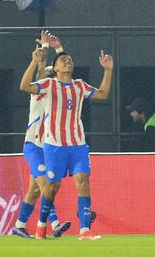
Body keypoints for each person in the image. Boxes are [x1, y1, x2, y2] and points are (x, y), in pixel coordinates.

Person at [19, 47, 113, 240]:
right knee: (51, 188)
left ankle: (85, 230)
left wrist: (108, 70)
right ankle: (41, 226)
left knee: (83, 181)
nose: (67, 61)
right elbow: (25, 86)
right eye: (63, 60)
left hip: (77, 143)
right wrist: (34, 61)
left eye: (70, 59)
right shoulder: (48, 85)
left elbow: (103, 94)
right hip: (53, 146)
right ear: (56, 68)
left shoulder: (80, 86)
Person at [12, 31, 71, 239]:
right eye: (48, 75)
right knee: (46, 186)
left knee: (35, 191)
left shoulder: (57, 93)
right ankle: (54, 223)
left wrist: (59, 50)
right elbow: (39, 73)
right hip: (33, 146)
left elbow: (64, 73)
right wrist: (42, 52)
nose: (51, 78)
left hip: (48, 147)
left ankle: (19, 226)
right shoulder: (37, 93)